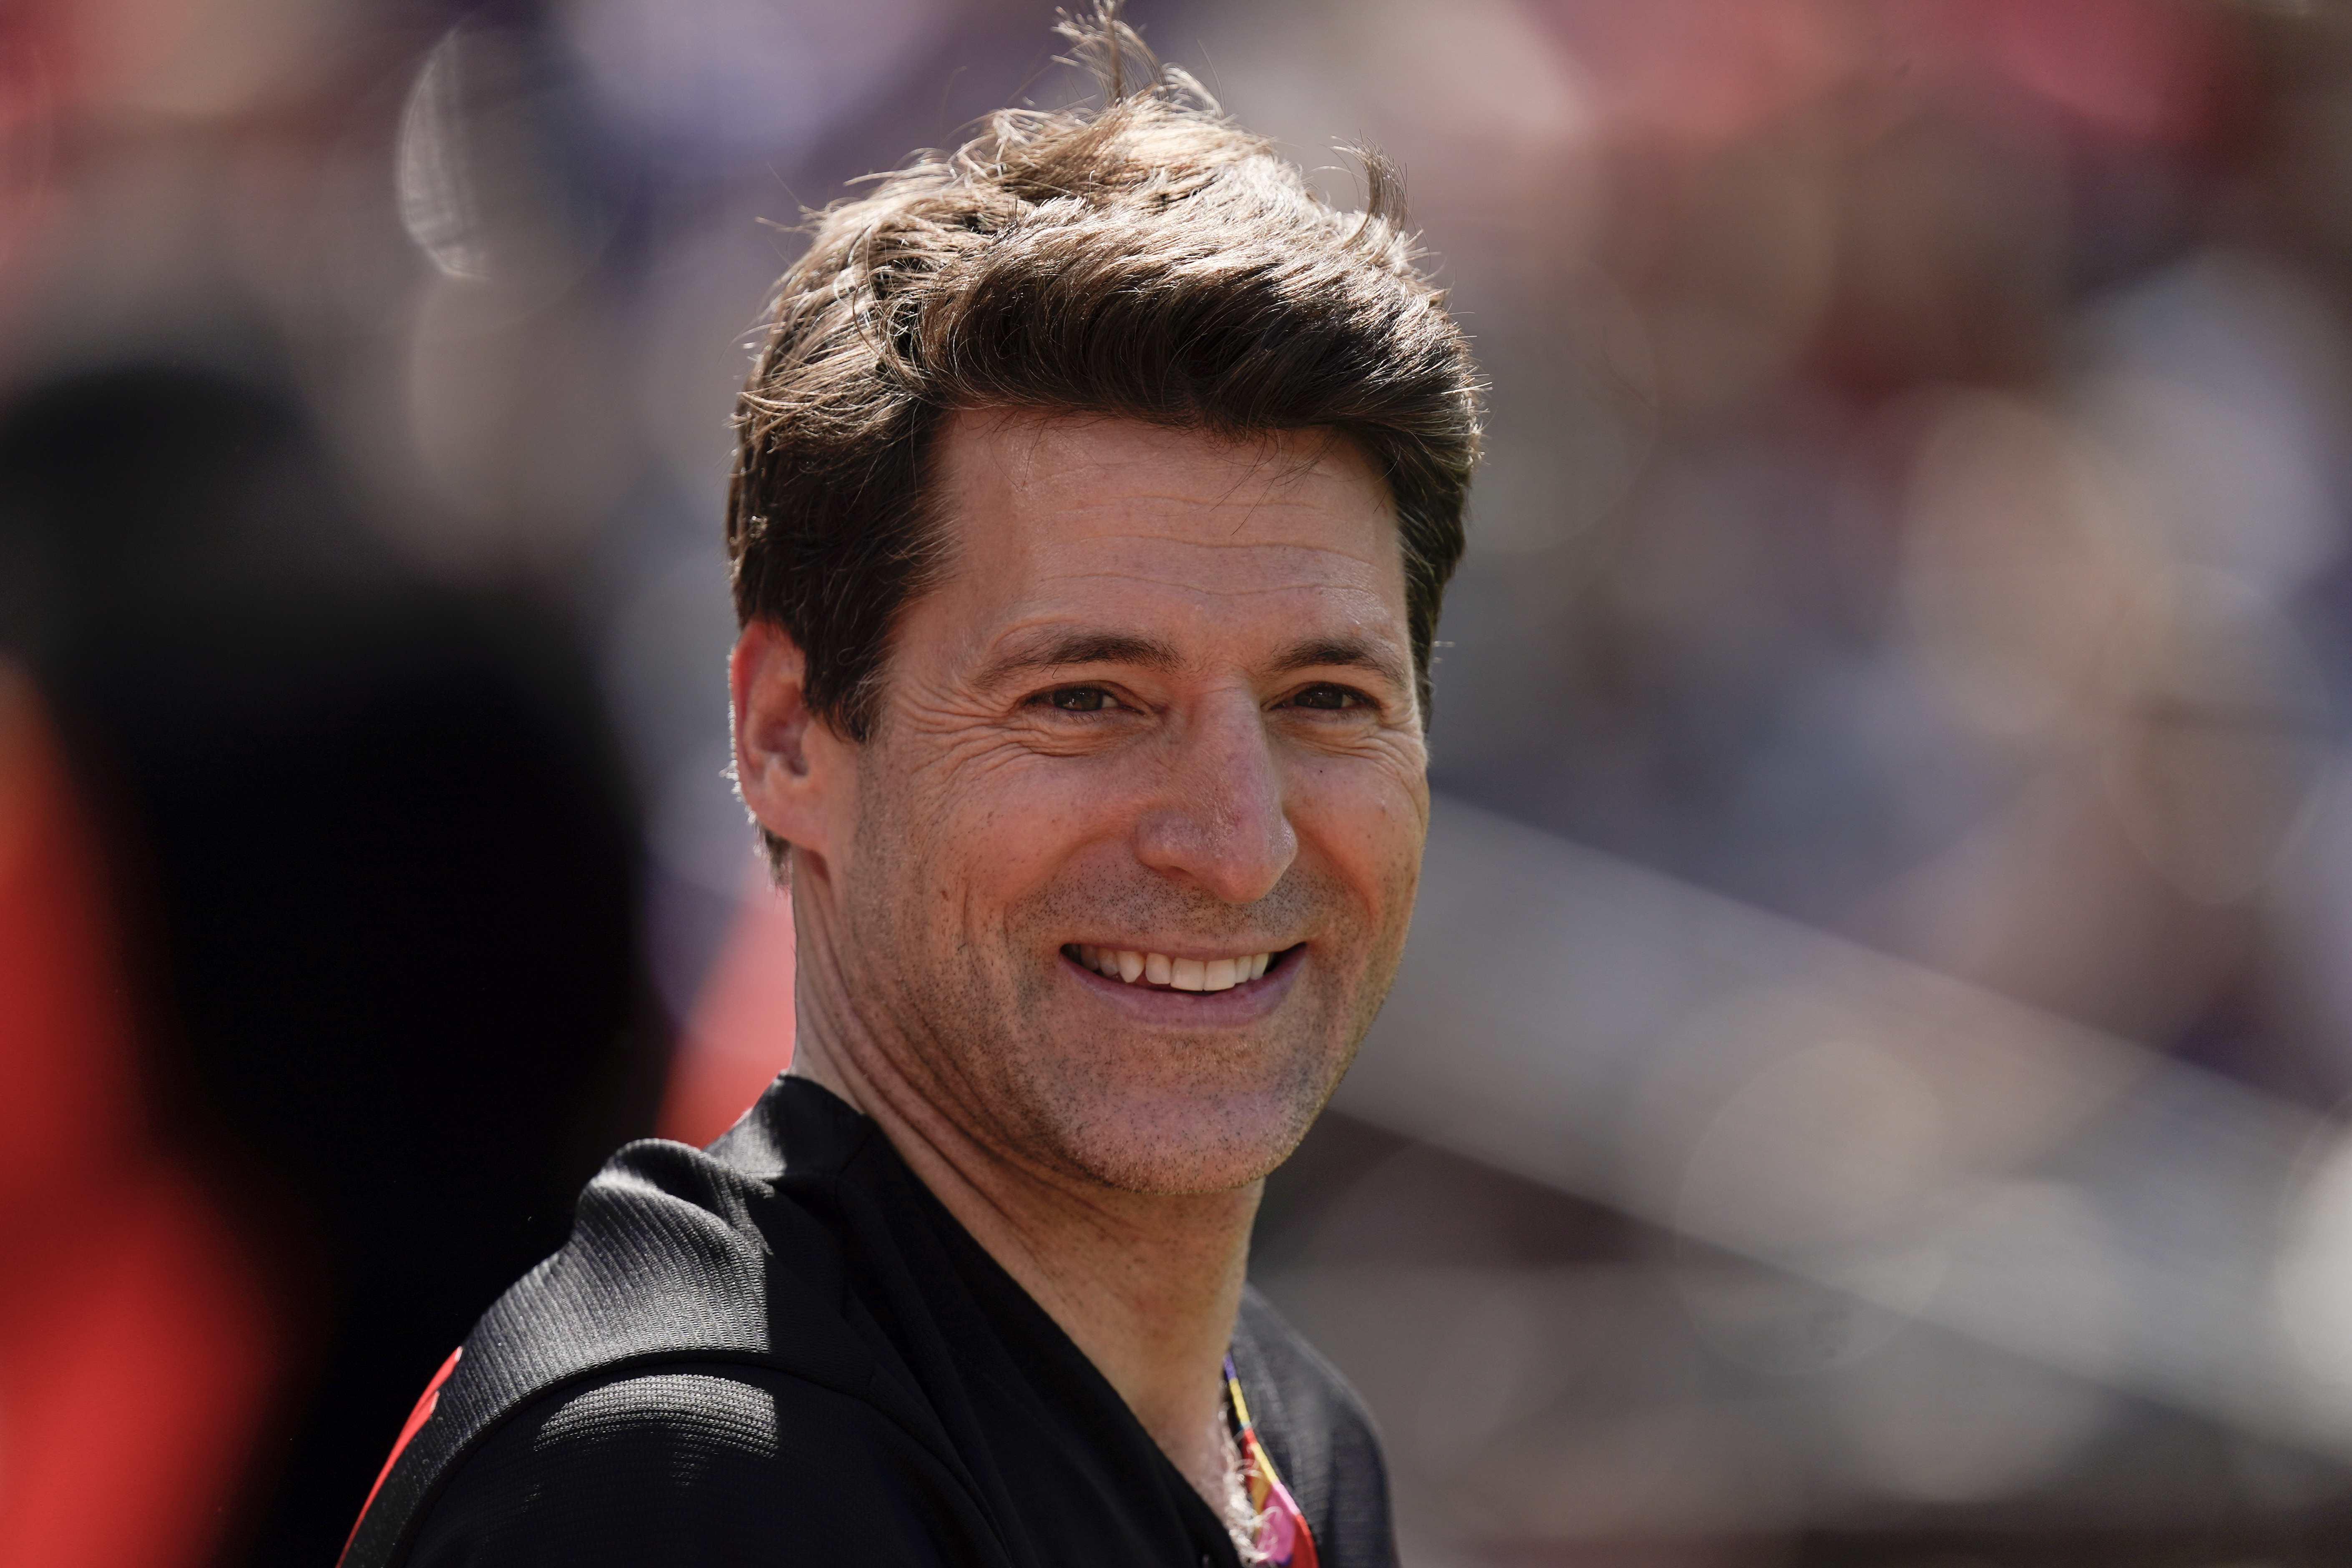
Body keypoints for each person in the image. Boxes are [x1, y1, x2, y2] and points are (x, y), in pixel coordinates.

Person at [340, 8, 1479, 1566]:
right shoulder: (687, 1487)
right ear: (789, 734)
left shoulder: (1287, 1431)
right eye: (1088, 699)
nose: (1236, 837)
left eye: (1327, 700)